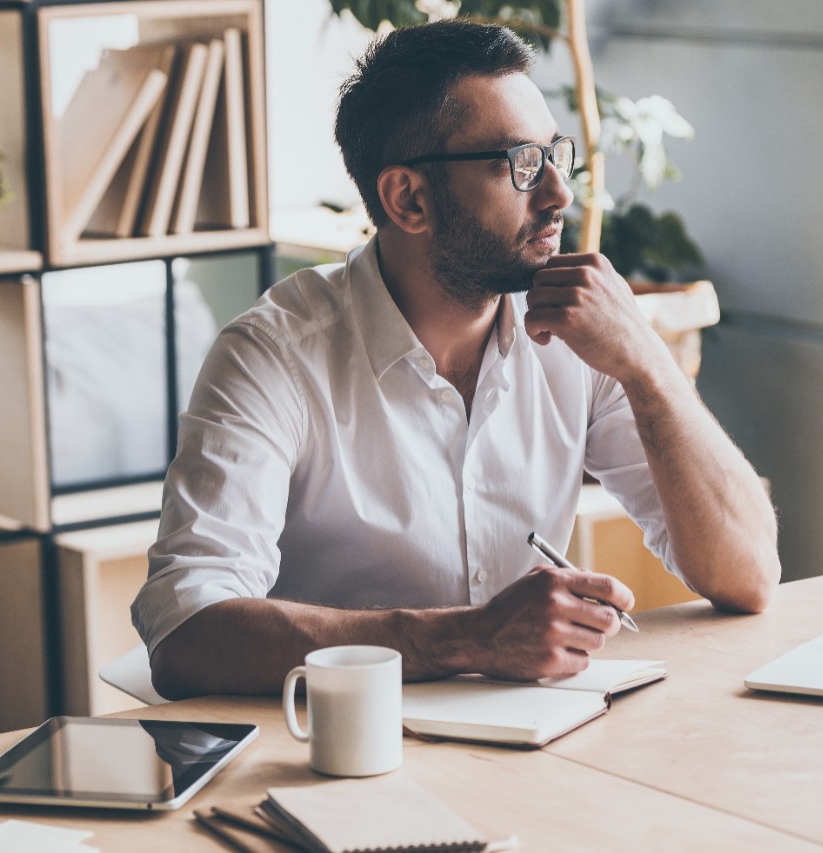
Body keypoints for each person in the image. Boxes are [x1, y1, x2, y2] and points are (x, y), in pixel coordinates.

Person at [132, 19, 780, 698]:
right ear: (409, 198)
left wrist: (649, 365)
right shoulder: (273, 358)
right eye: (520, 165)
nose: (560, 193)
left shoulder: (583, 335)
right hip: (338, 757)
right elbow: (186, 633)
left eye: (556, 154)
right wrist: (470, 637)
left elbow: (749, 573)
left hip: (536, 742)